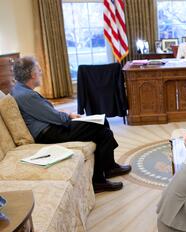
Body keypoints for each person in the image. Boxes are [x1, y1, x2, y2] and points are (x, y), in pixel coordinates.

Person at [11, 56, 131, 193]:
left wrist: (67, 115)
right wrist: (69, 116)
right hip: (49, 133)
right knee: (102, 122)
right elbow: (55, 117)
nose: (41, 72)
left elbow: (46, 113)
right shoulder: (27, 96)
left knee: (104, 133)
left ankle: (105, 172)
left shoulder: (20, 90)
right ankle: (104, 173)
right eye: (38, 70)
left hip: (50, 128)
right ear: (32, 74)